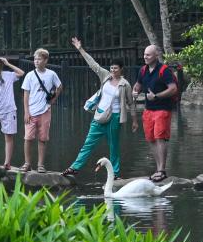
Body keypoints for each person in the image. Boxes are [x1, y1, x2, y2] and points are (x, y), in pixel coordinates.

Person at [62, 38, 137, 180]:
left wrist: (134, 121)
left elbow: (131, 103)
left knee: (114, 146)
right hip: (100, 115)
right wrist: (80, 49)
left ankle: (115, 173)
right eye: (111, 68)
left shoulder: (125, 84)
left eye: (116, 68)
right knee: (88, 143)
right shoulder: (106, 76)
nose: (113, 70)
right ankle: (74, 168)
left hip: (114, 117)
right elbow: (93, 64)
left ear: (121, 69)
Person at [134, 45, 177, 182]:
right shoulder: (143, 70)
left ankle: (162, 170)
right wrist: (135, 91)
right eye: (144, 54)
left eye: (148, 55)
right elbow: (138, 85)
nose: (145, 57)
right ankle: (158, 169)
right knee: (151, 139)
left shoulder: (164, 70)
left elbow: (173, 88)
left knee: (160, 138)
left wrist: (156, 96)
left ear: (156, 56)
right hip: (148, 109)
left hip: (162, 109)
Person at [19, 48, 62, 172]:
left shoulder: (51, 74)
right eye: (35, 59)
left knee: (43, 138)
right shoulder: (30, 75)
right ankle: (27, 163)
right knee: (28, 138)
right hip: (31, 111)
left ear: (45, 60)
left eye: (39, 59)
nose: (36, 61)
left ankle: (40, 165)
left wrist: (53, 99)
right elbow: (26, 94)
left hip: (45, 110)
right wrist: (26, 112)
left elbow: (59, 86)